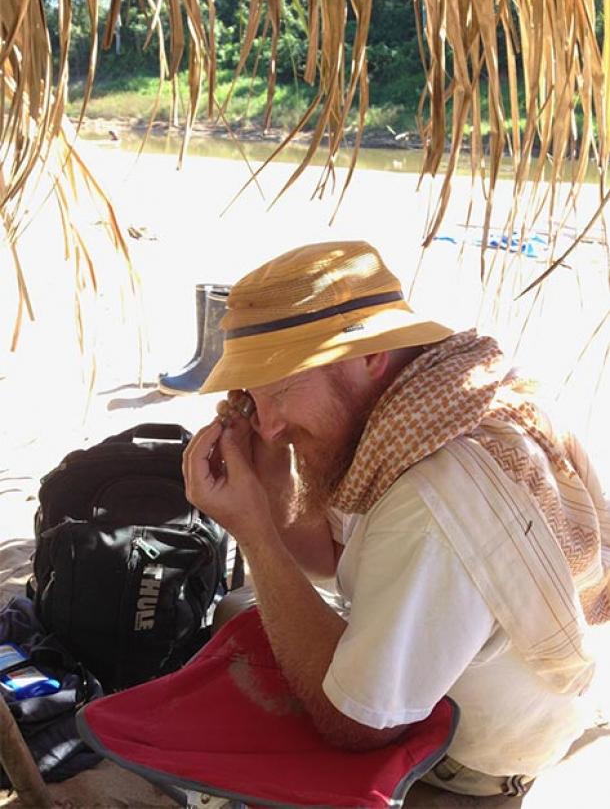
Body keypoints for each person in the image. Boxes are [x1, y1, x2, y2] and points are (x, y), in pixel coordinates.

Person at [182, 240, 610, 797]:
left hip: (471, 757)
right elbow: (336, 559)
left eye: (282, 393)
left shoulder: (435, 494)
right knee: (240, 610)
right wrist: (269, 487)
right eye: (252, 402)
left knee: (233, 647)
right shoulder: (428, 401)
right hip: (494, 695)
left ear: (368, 357)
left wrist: (253, 532)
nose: (268, 427)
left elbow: (359, 723)